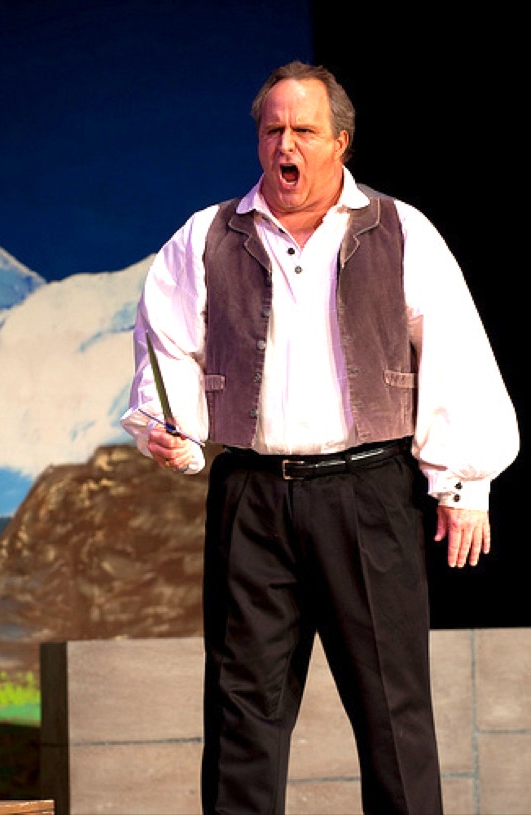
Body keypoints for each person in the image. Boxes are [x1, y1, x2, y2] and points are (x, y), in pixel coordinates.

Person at [121, 60, 519, 815]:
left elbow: (454, 352)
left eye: (303, 129)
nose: (285, 144)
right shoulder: (206, 235)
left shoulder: (399, 230)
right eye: (272, 129)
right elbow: (164, 345)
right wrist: (173, 431)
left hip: (368, 493)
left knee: (393, 712)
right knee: (242, 712)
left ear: (340, 141)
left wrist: (464, 483)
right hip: (251, 495)